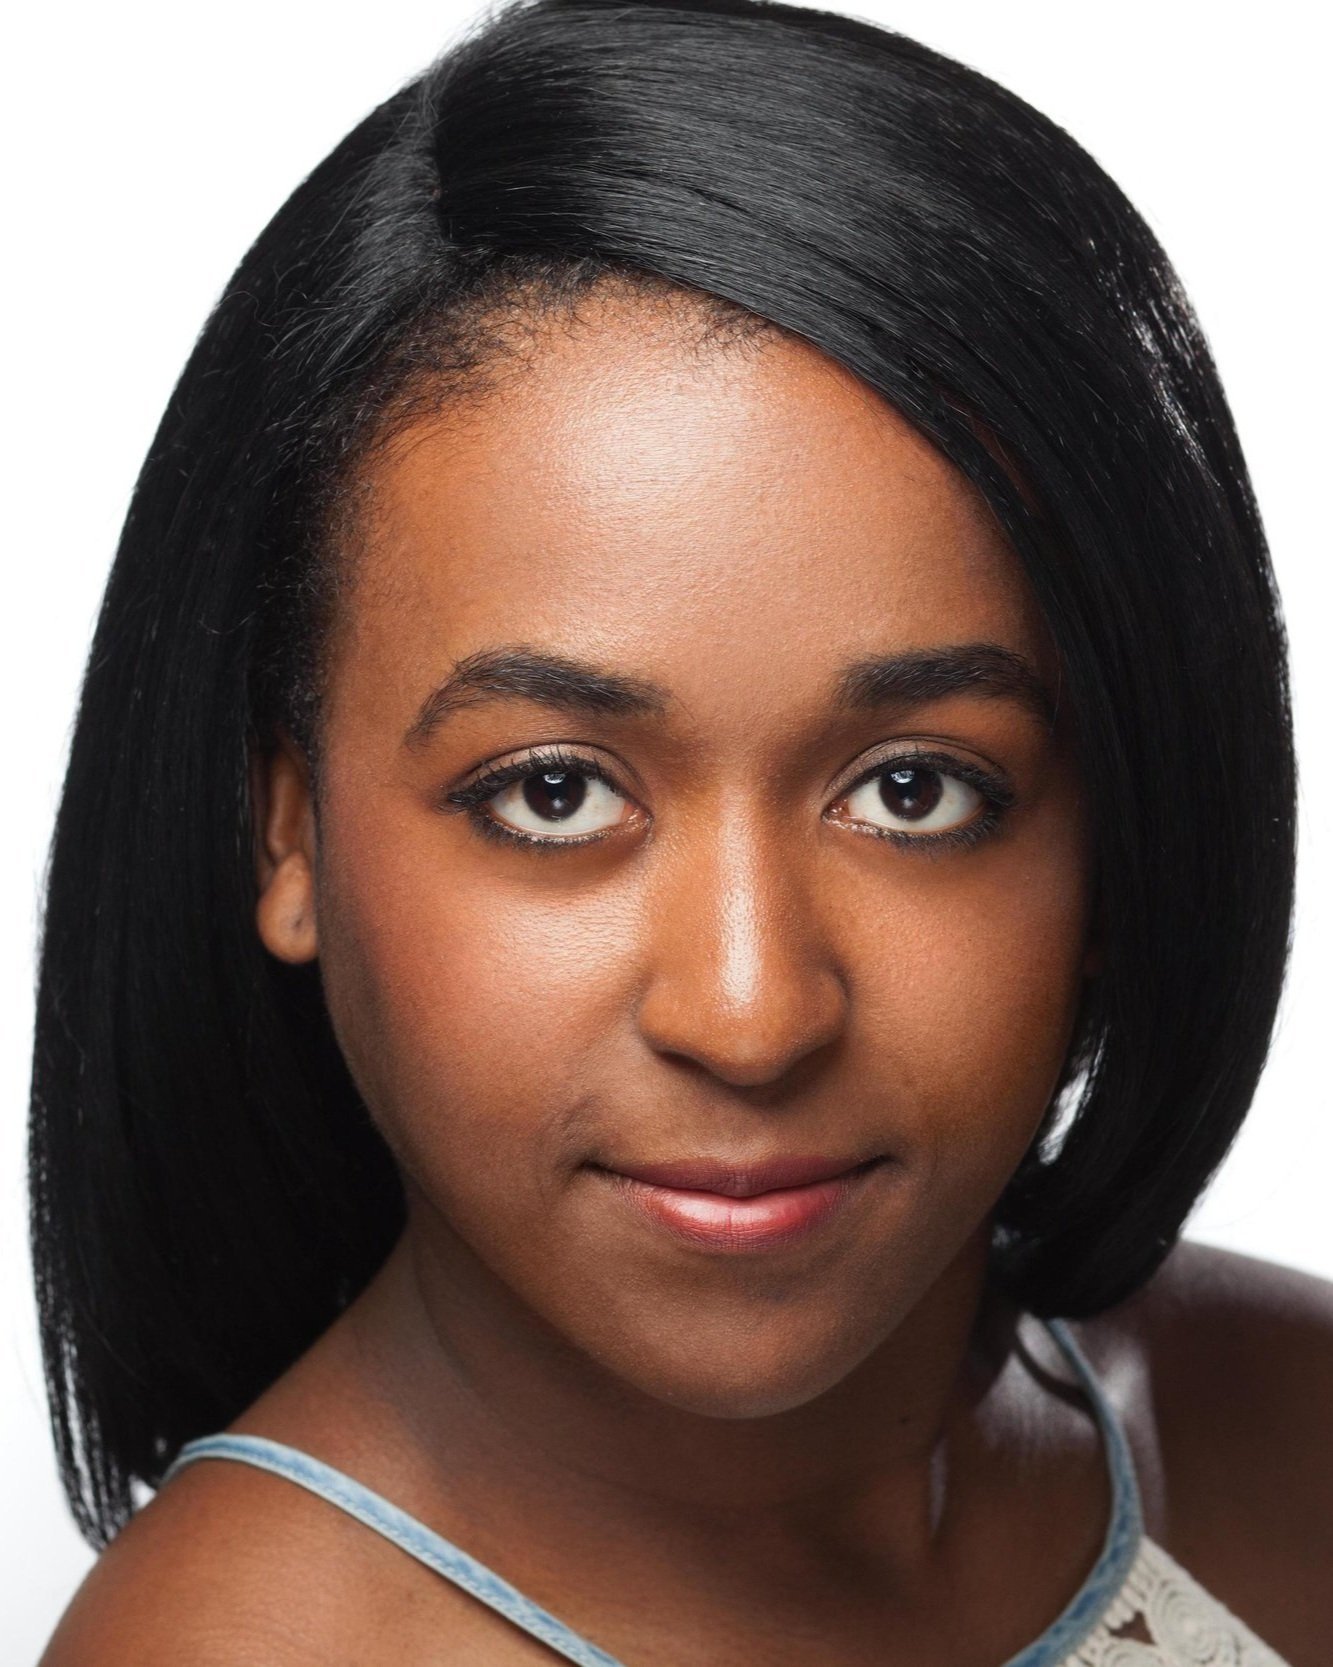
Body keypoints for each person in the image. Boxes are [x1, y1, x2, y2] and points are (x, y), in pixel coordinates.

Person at [29, 0, 1332, 1661]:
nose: (749, 1012)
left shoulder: (1288, 1420)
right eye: (552, 792)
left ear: (1126, 822)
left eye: (915, 790)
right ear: (283, 827)